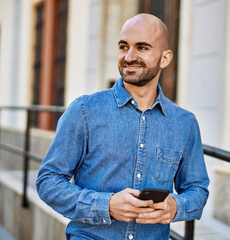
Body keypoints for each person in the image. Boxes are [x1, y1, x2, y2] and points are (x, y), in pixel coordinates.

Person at [36, 13, 209, 240]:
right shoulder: (84, 111)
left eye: (142, 48)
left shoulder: (184, 123)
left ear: (165, 58)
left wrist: (175, 206)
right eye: (123, 46)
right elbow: (48, 181)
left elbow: (197, 190)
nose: (129, 56)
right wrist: (105, 205)